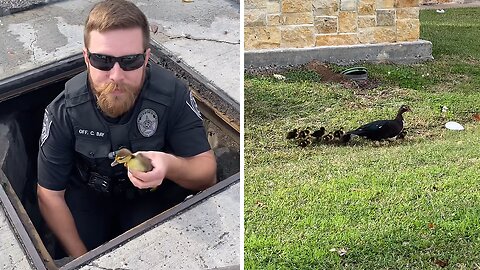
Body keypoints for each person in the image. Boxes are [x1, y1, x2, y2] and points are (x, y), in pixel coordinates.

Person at [36, 0, 217, 258]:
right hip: (89, 196)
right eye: (103, 60)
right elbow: (49, 195)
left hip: (149, 197)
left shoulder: (172, 95)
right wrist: (83, 261)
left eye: (130, 61)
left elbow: (207, 173)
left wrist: (169, 165)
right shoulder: (63, 110)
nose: (117, 75)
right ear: (86, 58)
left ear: (146, 58)